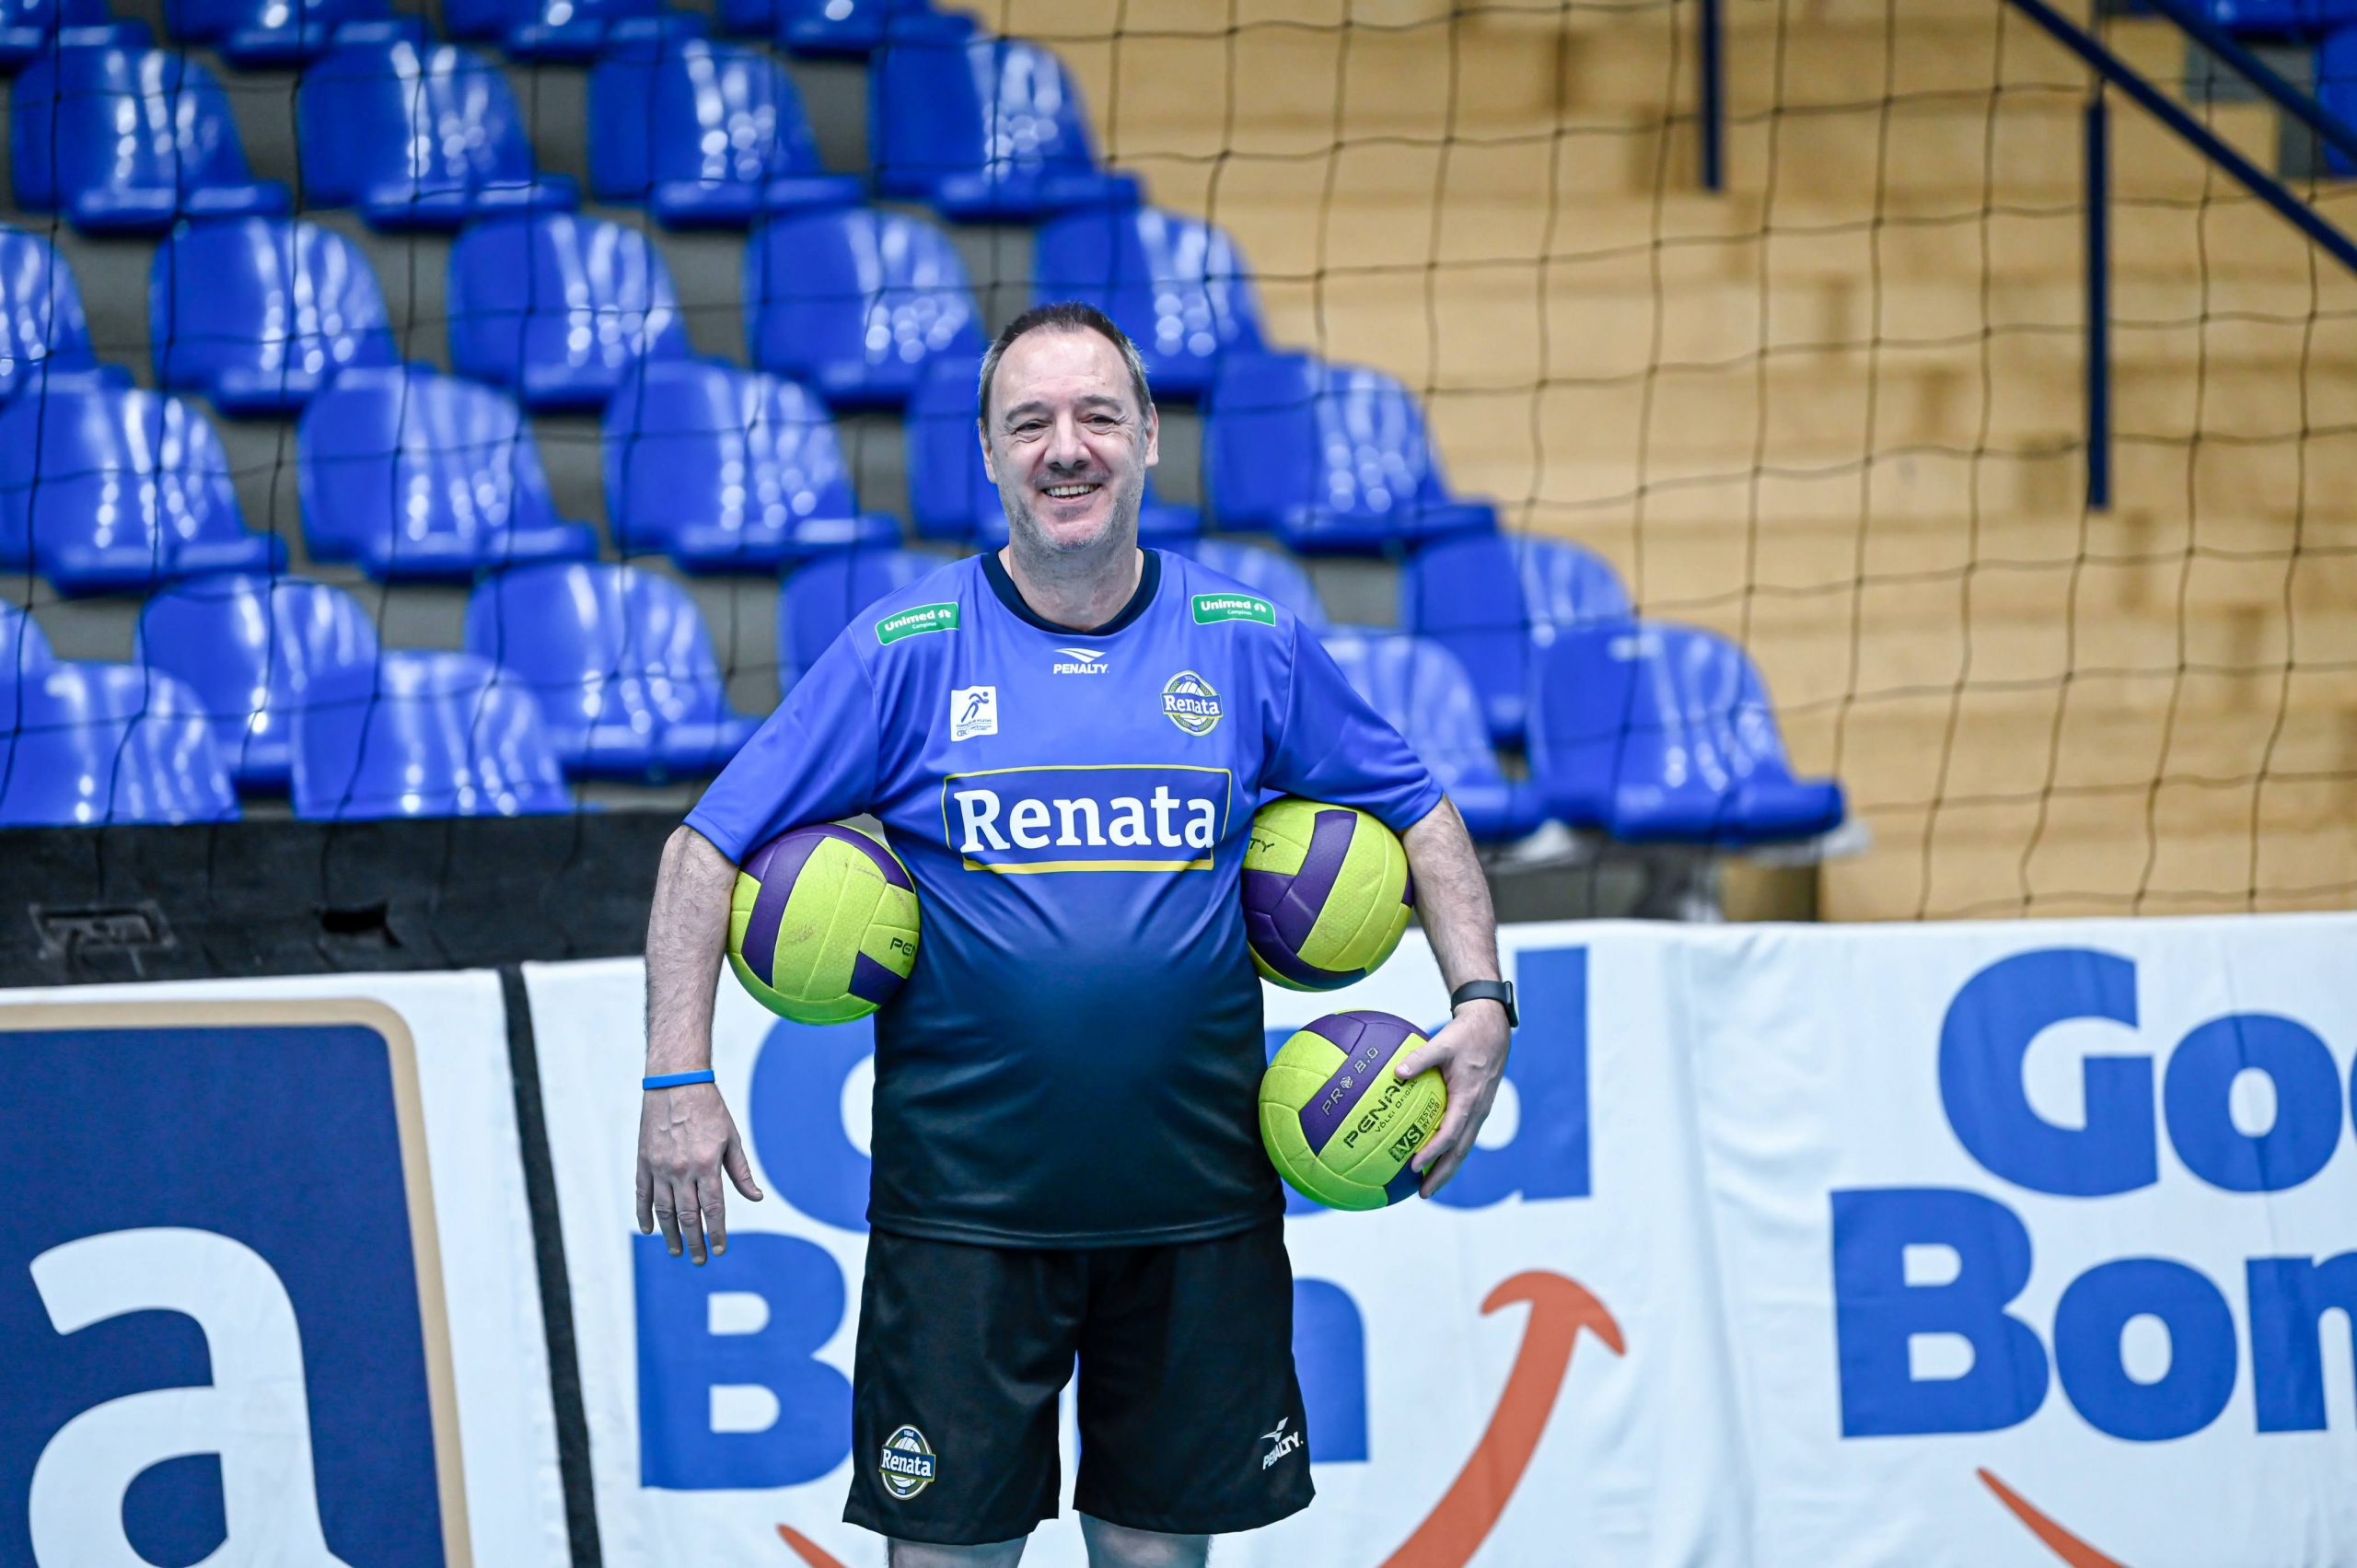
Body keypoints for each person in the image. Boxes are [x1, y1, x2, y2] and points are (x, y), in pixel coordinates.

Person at [636, 303, 1513, 1568]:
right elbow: (700, 852)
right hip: (964, 1226)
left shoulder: (1247, 642)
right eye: (1029, 421)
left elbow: (1420, 813)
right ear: (987, 455)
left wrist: (1481, 1000)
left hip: (1195, 1216)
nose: (1066, 447)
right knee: (948, 1559)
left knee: (1158, 1557)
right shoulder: (905, 653)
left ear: (1150, 438)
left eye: (1098, 415)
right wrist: (678, 1076)